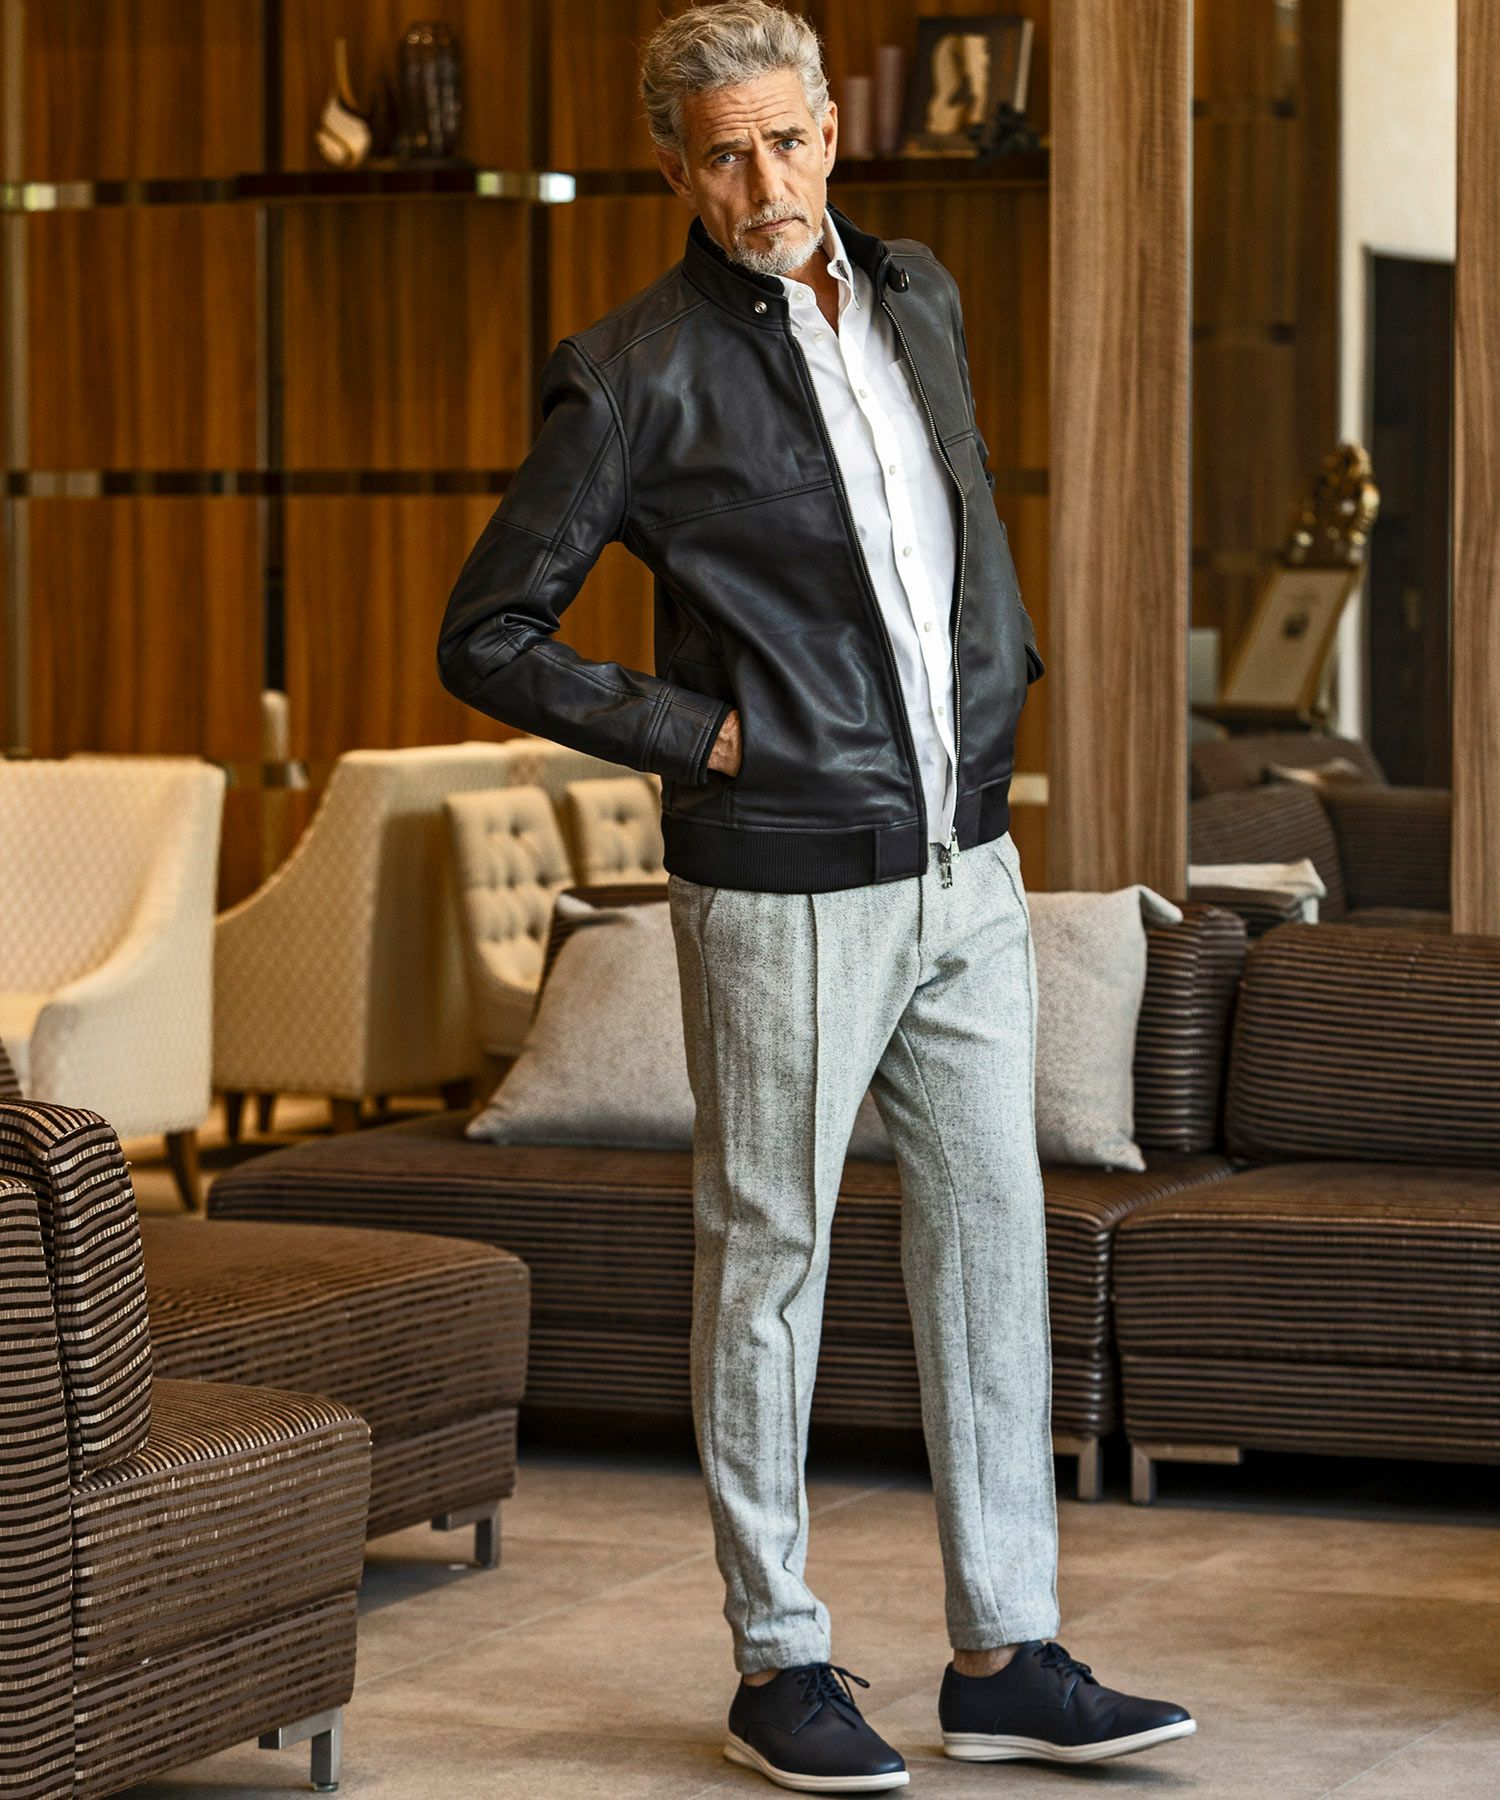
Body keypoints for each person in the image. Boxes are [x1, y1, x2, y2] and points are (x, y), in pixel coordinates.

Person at [436, 3, 1195, 1790]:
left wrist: (998, 688)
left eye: (786, 140)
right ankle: (779, 1660)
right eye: (724, 154)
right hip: (780, 886)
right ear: (676, 169)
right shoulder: (630, 373)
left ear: (833, 131)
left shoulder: (919, 293)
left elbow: (942, 541)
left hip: (967, 866)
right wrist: (703, 735)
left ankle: (1005, 1651)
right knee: (770, 1257)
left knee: (991, 1243)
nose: (763, 181)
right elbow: (489, 632)